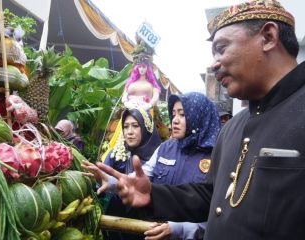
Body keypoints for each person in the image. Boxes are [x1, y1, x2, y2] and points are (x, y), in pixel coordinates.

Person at [96, 1, 305, 239]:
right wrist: (153, 195)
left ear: (268, 37)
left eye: (221, 48)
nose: (215, 63)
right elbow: (211, 196)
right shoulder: (232, 128)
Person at [84, 92, 220, 240]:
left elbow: (219, 212)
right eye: (173, 114)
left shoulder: (217, 155)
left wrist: (181, 229)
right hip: (152, 233)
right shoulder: (165, 148)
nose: (175, 120)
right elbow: (137, 181)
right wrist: (111, 182)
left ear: (199, 117)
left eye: (182, 114)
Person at [103, 107, 162, 240]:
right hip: (114, 225)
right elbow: (103, 179)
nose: (129, 132)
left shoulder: (161, 156)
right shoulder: (115, 155)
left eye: (135, 126)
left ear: (146, 128)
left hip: (148, 229)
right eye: (126, 126)